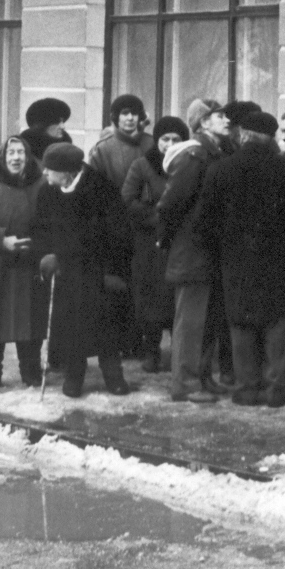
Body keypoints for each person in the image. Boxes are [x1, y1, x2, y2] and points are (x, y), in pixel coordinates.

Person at [197, 111, 285, 407]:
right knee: (277, 320)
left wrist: (220, 249)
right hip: (278, 258)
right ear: (270, 137)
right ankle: (277, 386)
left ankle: (246, 388)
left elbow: (205, 222)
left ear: (243, 135)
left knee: (239, 321)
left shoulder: (220, 169)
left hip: (235, 259)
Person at [35, 141, 135, 398]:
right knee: (71, 325)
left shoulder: (100, 188)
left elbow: (119, 233)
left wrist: (113, 272)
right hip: (67, 271)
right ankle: (74, 375)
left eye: (50, 169)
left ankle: (114, 376)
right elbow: (42, 228)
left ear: (67, 171)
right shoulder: (47, 192)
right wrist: (48, 253)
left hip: (99, 270)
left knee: (106, 325)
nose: (45, 173)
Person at [156, 99, 232, 403]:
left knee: (207, 317)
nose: (226, 120)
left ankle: (202, 377)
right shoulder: (194, 156)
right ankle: (184, 384)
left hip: (207, 249)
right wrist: (169, 239)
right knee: (190, 320)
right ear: (202, 123)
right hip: (192, 250)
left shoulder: (213, 152)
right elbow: (170, 204)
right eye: (219, 116)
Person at [0, 134, 51, 390]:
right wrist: (1, 240)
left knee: (31, 317)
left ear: (28, 157)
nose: (16, 158)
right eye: (11, 153)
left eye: (21, 153)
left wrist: (38, 244)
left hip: (30, 262)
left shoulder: (42, 186)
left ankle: (30, 368)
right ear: (3, 157)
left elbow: (52, 221)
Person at [120, 114, 187, 374]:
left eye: (176, 139)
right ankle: (151, 351)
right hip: (150, 244)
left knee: (175, 298)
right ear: (156, 140)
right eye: (165, 139)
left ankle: (179, 354)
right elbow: (127, 199)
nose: (170, 144)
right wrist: (158, 217)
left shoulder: (189, 164)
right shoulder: (142, 165)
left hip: (180, 242)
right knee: (151, 298)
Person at [19, 97, 73, 162]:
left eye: (63, 121)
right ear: (43, 125)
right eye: (57, 122)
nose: (62, 126)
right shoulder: (22, 154)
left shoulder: (69, 153)